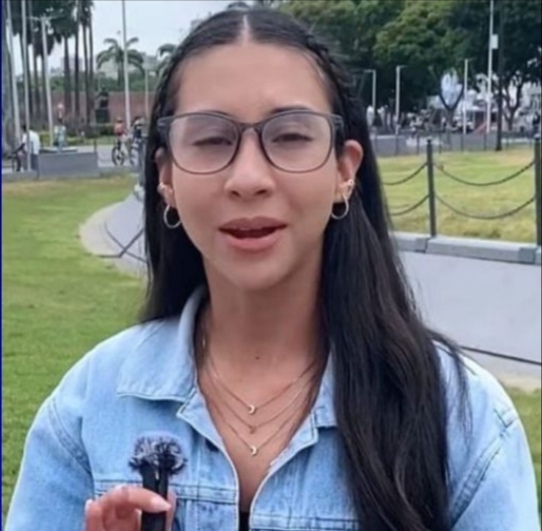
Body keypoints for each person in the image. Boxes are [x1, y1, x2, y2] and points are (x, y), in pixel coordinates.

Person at [5, 7, 540, 531]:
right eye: (212, 139)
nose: (248, 178)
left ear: (344, 170)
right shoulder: (90, 407)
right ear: (165, 176)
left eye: (289, 136)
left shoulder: (462, 422)